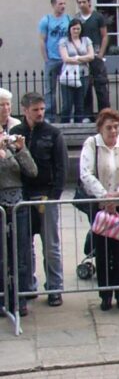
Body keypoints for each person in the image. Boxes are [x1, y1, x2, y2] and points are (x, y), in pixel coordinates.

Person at [78, 108, 119, 311]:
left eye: (116, 127)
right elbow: (86, 173)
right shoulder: (91, 144)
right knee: (103, 252)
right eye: (109, 127)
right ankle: (105, 295)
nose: (113, 131)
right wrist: (104, 196)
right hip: (101, 207)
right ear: (100, 128)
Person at [14, 91, 66, 310]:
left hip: (45, 194)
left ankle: (55, 288)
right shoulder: (16, 132)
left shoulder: (53, 133)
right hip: (22, 196)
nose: (40, 113)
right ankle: (29, 285)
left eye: (42, 109)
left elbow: (61, 166)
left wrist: (54, 196)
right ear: (25, 110)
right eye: (35, 110)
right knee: (25, 245)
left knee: (51, 246)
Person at [0, 125, 36, 318]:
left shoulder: (12, 147)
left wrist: (21, 149)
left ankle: (19, 299)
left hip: (17, 206)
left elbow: (32, 171)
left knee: (20, 254)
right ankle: (1, 298)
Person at [74, 0, 110, 116]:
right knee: (85, 87)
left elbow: (104, 36)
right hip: (83, 57)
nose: (82, 4)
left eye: (84, 2)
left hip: (96, 55)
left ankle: (105, 114)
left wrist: (100, 54)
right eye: (79, 2)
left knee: (101, 86)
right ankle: (87, 115)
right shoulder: (76, 18)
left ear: (89, 2)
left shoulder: (98, 17)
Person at [36, 0, 70, 116]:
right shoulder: (46, 20)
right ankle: (50, 115)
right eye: (60, 4)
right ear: (53, 5)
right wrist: (46, 58)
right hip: (52, 59)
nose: (63, 6)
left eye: (64, 3)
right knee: (50, 89)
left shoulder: (68, 19)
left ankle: (66, 115)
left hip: (66, 59)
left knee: (66, 88)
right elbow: (42, 40)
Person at [57, 17, 94, 124]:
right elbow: (66, 59)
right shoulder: (64, 41)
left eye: (78, 29)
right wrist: (82, 58)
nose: (76, 31)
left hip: (83, 74)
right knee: (67, 104)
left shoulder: (86, 40)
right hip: (69, 75)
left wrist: (76, 58)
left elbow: (91, 56)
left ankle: (79, 123)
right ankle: (64, 124)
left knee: (80, 103)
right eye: (74, 29)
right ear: (70, 29)